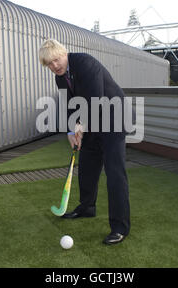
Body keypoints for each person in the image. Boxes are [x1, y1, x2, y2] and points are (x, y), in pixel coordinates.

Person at [39, 39, 130, 245]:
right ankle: (87, 208)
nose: (54, 66)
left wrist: (82, 125)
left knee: (115, 173)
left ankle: (120, 227)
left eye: (56, 60)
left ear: (64, 53)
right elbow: (71, 105)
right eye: (49, 64)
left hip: (113, 119)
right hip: (92, 123)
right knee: (88, 166)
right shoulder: (60, 78)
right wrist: (72, 130)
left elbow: (95, 99)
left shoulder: (85, 63)